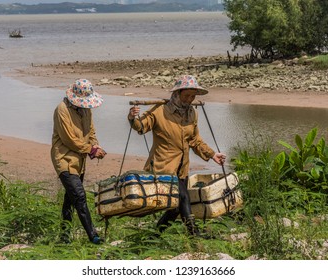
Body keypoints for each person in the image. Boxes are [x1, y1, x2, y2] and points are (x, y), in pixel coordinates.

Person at [127, 75, 226, 237]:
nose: (189, 99)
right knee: (182, 197)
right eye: (186, 95)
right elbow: (141, 127)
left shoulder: (192, 114)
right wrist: (132, 117)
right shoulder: (159, 111)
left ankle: (154, 235)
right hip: (162, 167)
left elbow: (195, 140)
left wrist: (213, 155)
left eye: (193, 96)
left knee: (175, 207)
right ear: (177, 93)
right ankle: (194, 233)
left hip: (181, 168)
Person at [51, 78, 106, 244]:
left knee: (71, 199)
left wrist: (96, 145)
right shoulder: (62, 110)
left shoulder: (86, 110)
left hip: (79, 161)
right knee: (80, 196)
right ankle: (93, 236)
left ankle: (64, 236)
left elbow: (91, 131)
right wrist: (91, 150)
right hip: (64, 158)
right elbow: (69, 140)